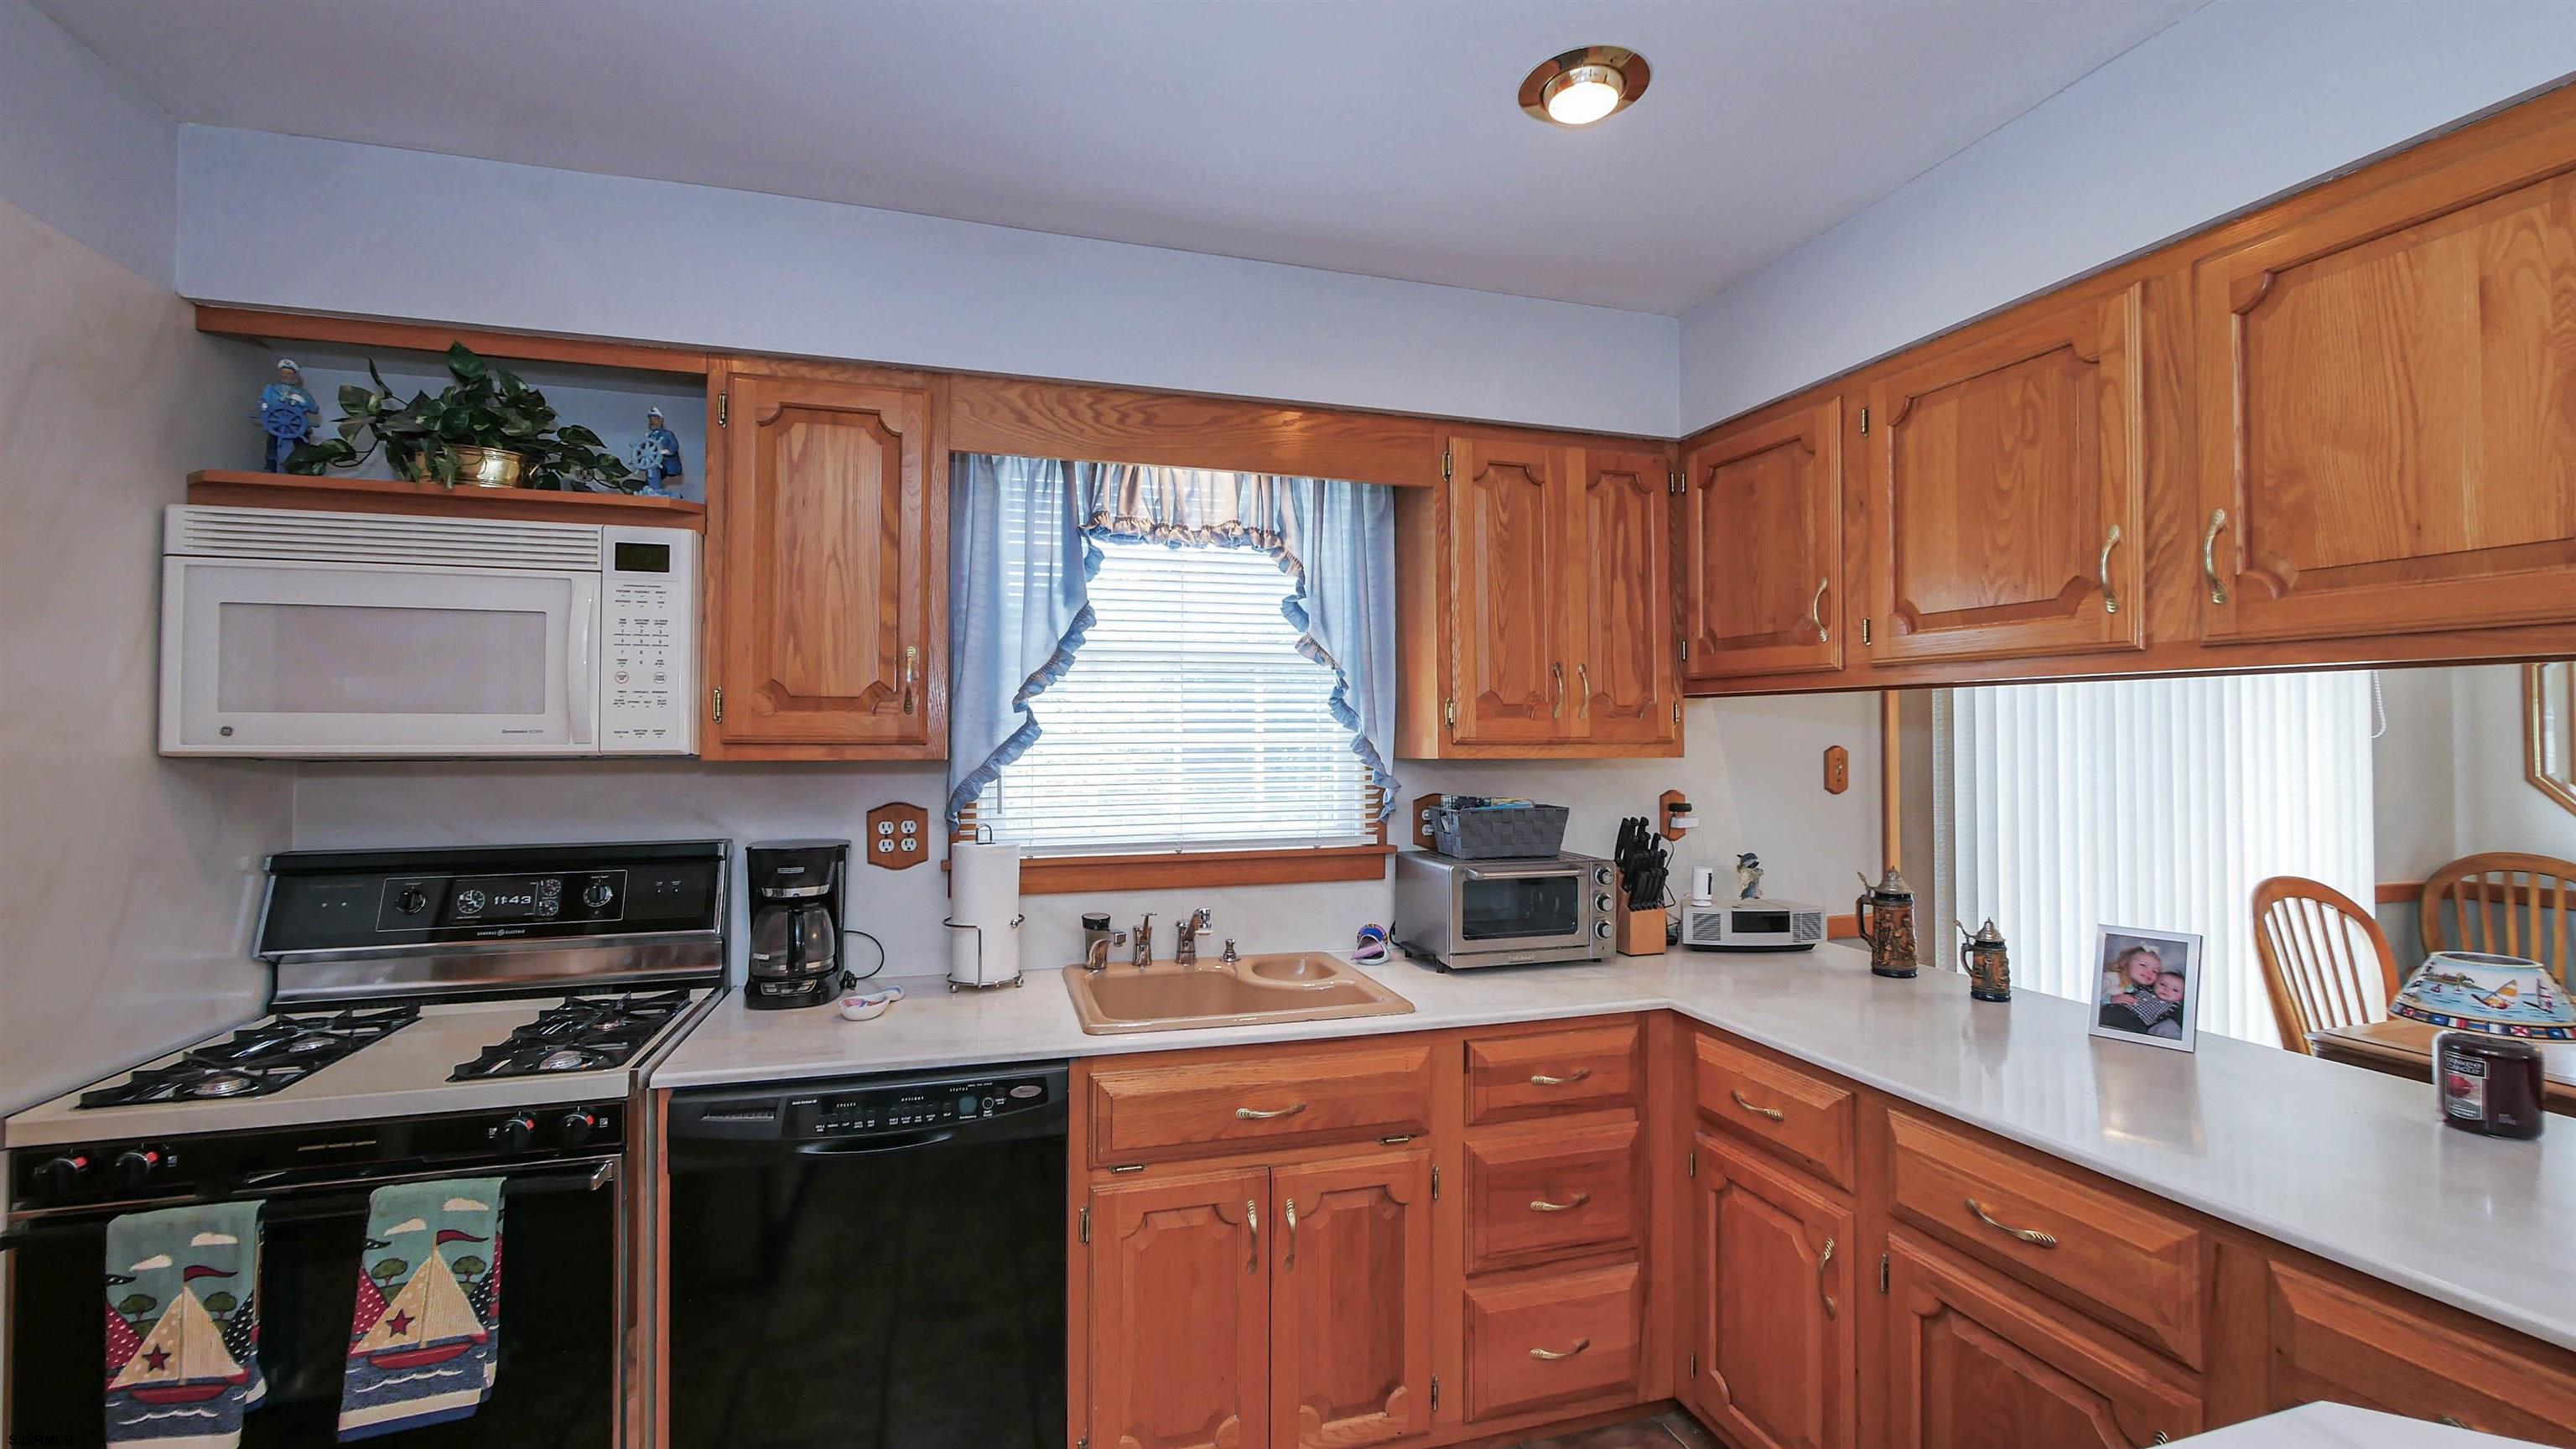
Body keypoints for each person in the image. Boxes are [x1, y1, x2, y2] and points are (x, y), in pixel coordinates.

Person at [257, 359, 320, 472]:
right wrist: (264, 406)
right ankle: (270, 470)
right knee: (272, 449)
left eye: (289, 373)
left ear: (294, 375)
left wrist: (302, 401)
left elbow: (314, 408)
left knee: (301, 451)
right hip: (276, 426)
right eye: (284, 372)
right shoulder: (271, 389)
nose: (286, 376)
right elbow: (263, 402)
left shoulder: (302, 393)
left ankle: (302, 471)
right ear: (280, 373)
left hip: (297, 427)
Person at [634, 408, 684, 495]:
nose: (652, 421)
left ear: (661, 420)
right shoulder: (650, 437)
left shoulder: (667, 435)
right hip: (652, 464)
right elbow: (643, 450)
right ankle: (652, 490)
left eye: (655, 419)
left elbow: (674, 446)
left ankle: (655, 491)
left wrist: (665, 451)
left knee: (653, 469)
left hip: (666, 465)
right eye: (650, 419)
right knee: (651, 470)